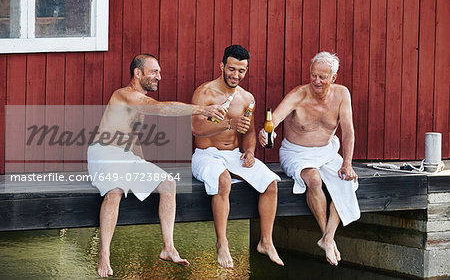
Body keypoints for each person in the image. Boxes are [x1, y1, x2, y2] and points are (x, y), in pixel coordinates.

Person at [87, 54, 226, 278]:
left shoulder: (138, 106)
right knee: (115, 191)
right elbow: (160, 108)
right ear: (137, 73)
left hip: (125, 155)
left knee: (168, 183)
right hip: (103, 152)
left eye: (159, 72)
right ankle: (104, 254)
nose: (159, 77)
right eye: (154, 72)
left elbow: (133, 139)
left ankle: (168, 247)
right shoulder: (123, 95)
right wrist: (203, 110)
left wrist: (143, 165)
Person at [258, 52, 360, 266]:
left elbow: (348, 131)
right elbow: (273, 120)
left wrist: (347, 164)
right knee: (314, 180)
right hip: (296, 152)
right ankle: (326, 236)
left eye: (322, 77)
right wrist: (268, 132)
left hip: (327, 151)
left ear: (334, 77)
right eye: (313, 75)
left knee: (347, 181)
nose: (316, 81)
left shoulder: (342, 94)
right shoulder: (299, 95)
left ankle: (328, 238)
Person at [191, 45, 284, 268]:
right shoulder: (204, 92)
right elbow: (196, 129)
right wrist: (230, 123)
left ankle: (266, 241)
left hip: (234, 154)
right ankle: (222, 242)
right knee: (223, 181)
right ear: (222, 66)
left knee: (271, 182)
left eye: (241, 71)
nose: (235, 75)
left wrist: (250, 151)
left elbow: (249, 132)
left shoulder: (247, 98)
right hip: (206, 155)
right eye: (232, 69)